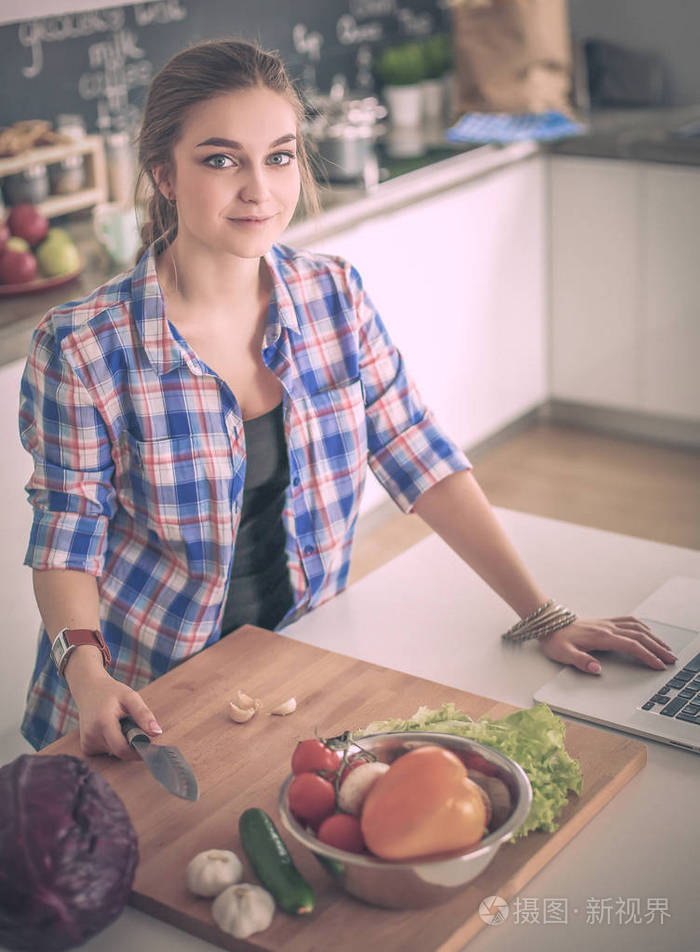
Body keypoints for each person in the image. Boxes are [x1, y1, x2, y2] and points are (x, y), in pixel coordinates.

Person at [19, 39, 675, 759]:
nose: (259, 190)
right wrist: (86, 672)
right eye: (220, 159)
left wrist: (544, 615)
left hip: (293, 670)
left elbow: (419, 455)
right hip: (138, 694)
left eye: (279, 155)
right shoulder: (84, 347)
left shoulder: (334, 294)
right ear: (162, 174)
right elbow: (69, 533)